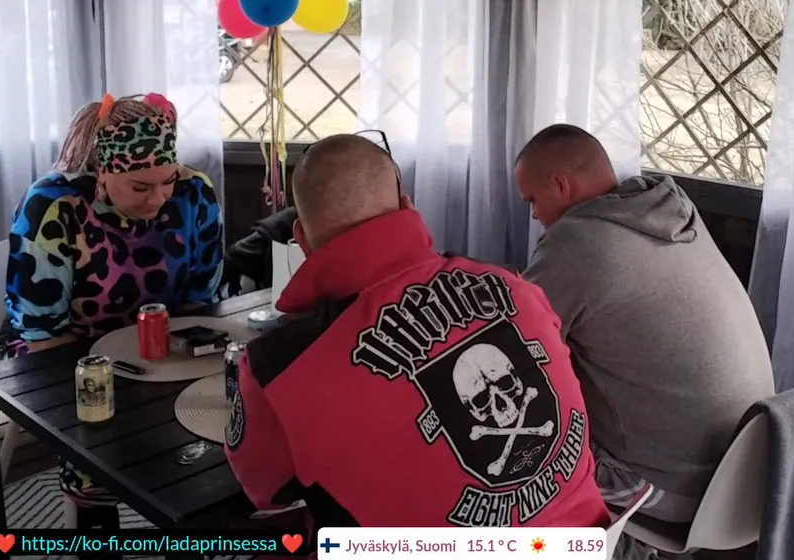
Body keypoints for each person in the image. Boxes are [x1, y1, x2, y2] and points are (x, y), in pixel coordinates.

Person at [224, 134, 609, 530]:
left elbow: (267, 492)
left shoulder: (278, 369)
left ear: (302, 239)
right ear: (408, 207)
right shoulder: (517, 288)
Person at [514, 124, 774, 526]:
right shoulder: (673, 210)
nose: (533, 214)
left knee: (517, 440)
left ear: (560, 184)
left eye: (532, 199)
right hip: (750, 475)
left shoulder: (575, 243)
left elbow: (516, 346)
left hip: (676, 492)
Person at [0, 93, 223, 535]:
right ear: (102, 171)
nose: (159, 198)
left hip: (158, 341)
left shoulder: (195, 192)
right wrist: (124, 380)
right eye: (140, 187)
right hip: (62, 346)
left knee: (211, 430)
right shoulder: (53, 206)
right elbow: (41, 329)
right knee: (101, 444)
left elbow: (202, 299)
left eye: (167, 180)